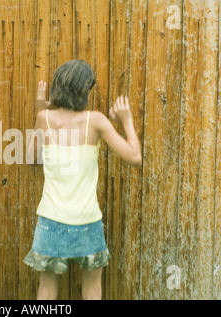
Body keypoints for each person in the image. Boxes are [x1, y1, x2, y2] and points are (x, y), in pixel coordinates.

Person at [24, 59, 142, 300]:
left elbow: (32, 159)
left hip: (50, 219)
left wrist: (39, 112)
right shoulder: (95, 121)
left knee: (45, 290)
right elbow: (135, 157)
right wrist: (127, 119)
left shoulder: (44, 118)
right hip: (87, 221)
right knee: (92, 291)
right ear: (84, 91)